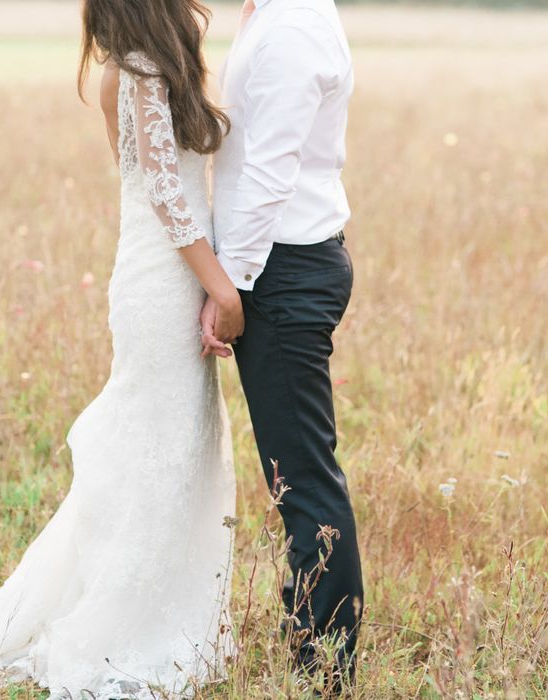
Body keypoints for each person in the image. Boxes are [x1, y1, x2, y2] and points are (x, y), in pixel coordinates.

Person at [0, 2, 240, 698]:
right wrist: (221, 290)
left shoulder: (164, 64)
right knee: (155, 450)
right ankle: (118, 626)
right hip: (160, 283)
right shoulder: (130, 74)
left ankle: (162, 612)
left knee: (178, 449)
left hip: (179, 270)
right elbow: (164, 195)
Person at [203, 0, 364, 687]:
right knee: (294, 475)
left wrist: (228, 285)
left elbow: (271, 170)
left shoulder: (293, 24)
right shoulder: (273, 13)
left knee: (303, 483)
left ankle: (324, 672)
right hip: (282, 265)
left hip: (284, 271)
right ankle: (316, 652)